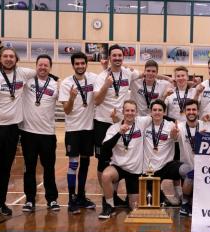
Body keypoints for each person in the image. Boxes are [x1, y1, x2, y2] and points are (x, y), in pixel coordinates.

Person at [0, 47, 36, 220]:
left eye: (12, 56)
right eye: (5, 56)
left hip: (11, 129)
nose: (9, 59)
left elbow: (41, 72)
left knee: (5, 170)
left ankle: (1, 203)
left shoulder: (23, 73)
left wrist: (56, 78)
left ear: (16, 59)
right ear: (0, 58)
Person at [93, 44, 140, 207]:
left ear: (123, 57)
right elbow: (97, 101)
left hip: (120, 123)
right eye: (114, 56)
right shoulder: (101, 77)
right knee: (103, 161)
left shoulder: (128, 73)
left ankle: (114, 195)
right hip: (102, 123)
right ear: (110, 57)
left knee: (119, 157)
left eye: (120, 55)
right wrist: (106, 85)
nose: (118, 58)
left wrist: (169, 79)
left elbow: (150, 74)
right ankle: (108, 196)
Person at [20, 54, 60, 212]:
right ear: (35, 66)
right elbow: (10, 66)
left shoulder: (56, 85)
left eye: (46, 65)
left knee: (49, 168)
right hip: (28, 133)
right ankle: (30, 199)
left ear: (50, 68)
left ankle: (52, 199)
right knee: (29, 168)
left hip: (48, 134)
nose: (43, 68)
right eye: (40, 65)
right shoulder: (27, 81)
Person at [59, 52, 97, 214]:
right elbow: (66, 111)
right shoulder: (67, 84)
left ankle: (81, 196)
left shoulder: (93, 78)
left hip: (88, 130)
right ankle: (71, 199)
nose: (80, 66)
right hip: (73, 130)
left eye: (83, 63)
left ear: (86, 64)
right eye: (77, 64)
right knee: (73, 164)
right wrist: (72, 98)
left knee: (85, 164)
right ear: (73, 65)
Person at [99, 100, 149, 218]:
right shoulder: (114, 128)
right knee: (106, 175)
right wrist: (119, 133)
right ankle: (109, 206)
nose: (130, 113)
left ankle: (130, 198)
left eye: (132, 111)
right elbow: (105, 147)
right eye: (127, 110)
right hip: (118, 167)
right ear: (123, 112)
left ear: (136, 112)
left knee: (134, 208)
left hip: (135, 170)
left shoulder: (141, 123)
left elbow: (158, 114)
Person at [170, 99, 210, 216]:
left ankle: (190, 202)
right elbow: (173, 137)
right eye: (188, 110)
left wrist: (206, 138)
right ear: (184, 112)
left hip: (203, 167)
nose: (191, 112)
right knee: (190, 172)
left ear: (198, 111)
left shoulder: (205, 126)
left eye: (194, 109)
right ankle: (184, 204)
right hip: (186, 165)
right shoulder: (180, 127)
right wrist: (173, 133)